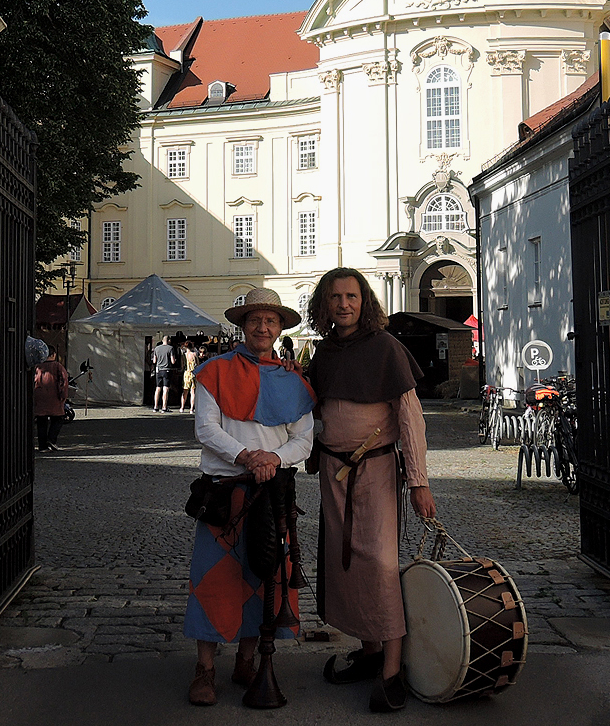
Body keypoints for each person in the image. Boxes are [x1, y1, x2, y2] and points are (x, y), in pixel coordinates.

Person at [306, 268, 437, 714]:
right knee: (345, 564)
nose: (344, 304)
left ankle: (392, 669)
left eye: (352, 296)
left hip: (377, 470)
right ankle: (369, 651)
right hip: (333, 472)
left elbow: (410, 418)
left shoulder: (386, 348)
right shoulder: (322, 352)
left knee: (379, 563)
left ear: (365, 302)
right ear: (324, 305)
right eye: (335, 297)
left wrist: (418, 481)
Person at [185, 289, 316, 707]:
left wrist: (271, 459)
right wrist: (247, 456)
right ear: (243, 325)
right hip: (225, 494)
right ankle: (205, 669)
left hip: (271, 494)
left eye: (271, 320)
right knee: (213, 582)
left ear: (280, 328)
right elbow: (207, 430)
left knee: (263, 583)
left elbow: (304, 442)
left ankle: (245, 661)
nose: (263, 327)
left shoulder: (294, 381)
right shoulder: (212, 371)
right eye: (256, 319)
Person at [33, 345, 70, 452]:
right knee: (58, 419)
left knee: (41, 422)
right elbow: (63, 381)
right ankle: (51, 439)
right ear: (53, 354)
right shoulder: (58, 366)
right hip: (55, 397)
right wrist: (63, 396)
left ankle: (42, 446)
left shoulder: (38, 366)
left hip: (39, 397)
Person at [154, 332, 182, 411]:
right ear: (169, 340)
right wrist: (175, 360)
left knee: (158, 388)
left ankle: (156, 406)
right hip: (167, 370)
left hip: (158, 370)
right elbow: (173, 361)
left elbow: (154, 361)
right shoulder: (170, 348)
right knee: (165, 389)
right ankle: (164, 407)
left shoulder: (157, 348)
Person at [180, 339, 200, 412]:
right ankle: (191, 408)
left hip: (186, 373)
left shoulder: (184, 356)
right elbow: (198, 364)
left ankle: (182, 407)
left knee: (185, 391)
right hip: (193, 373)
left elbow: (182, 366)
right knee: (193, 392)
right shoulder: (194, 354)